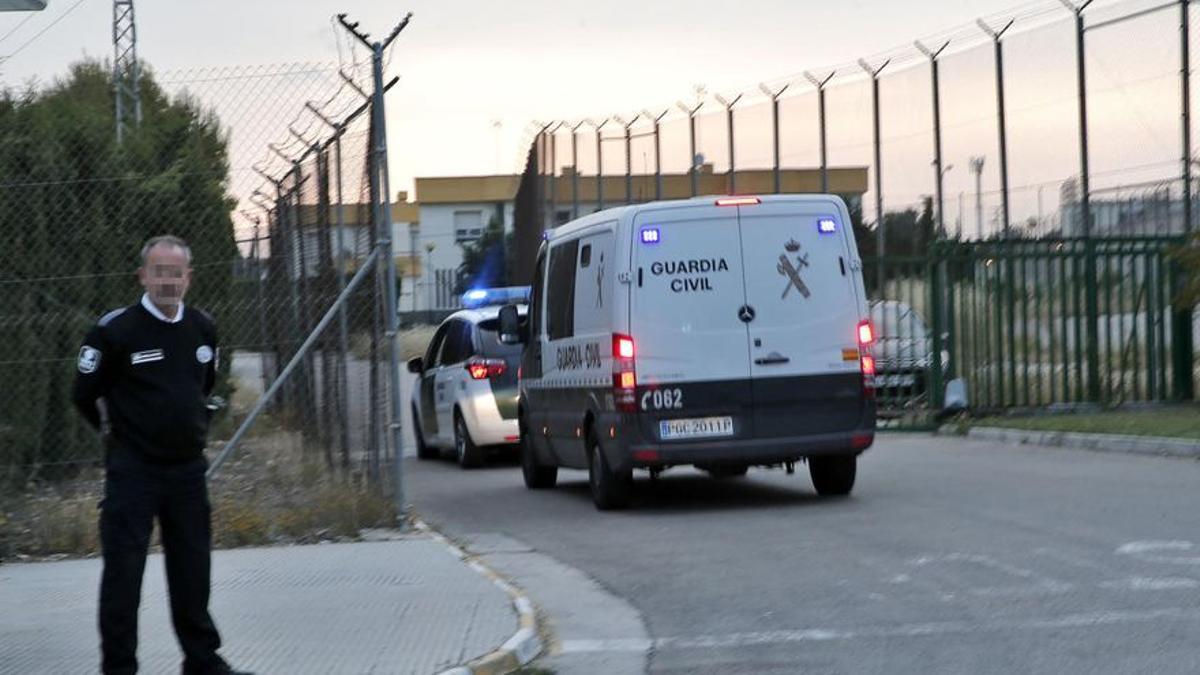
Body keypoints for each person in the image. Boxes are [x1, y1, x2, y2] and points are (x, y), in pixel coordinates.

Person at [72, 235, 251, 675]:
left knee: (193, 570)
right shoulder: (115, 331)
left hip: (187, 472)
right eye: (159, 272)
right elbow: (83, 394)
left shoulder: (202, 327)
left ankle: (202, 662)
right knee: (124, 575)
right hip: (133, 472)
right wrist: (120, 439)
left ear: (188, 277)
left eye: (176, 273)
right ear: (142, 276)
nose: (168, 282)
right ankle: (119, 667)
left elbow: (203, 385)